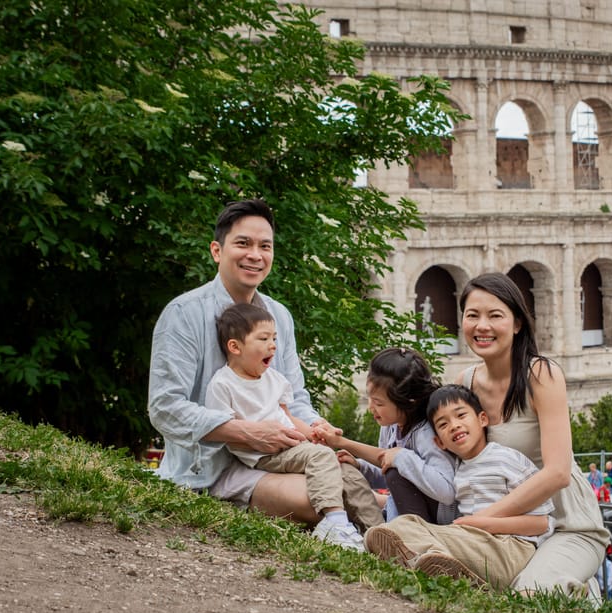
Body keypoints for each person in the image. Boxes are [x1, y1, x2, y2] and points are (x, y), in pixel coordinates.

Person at [148, 198, 370, 531]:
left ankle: (409, 527)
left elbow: (294, 401)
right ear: (216, 251)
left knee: (347, 480)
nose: (255, 254)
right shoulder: (183, 314)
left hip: (277, 459)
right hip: (213, 469)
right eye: (243, 243)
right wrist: (247, 433)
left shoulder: (279, 316)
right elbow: (164, 408)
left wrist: (318, 431)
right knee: (322, 496)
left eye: (265, 246)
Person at [456, 272, 610, 595]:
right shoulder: (465, 383)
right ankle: (581, 594)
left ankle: (580, 592)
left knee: (529, 594)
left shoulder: (541, 374)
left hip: (567, 524)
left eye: (494, 315)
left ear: (517, 323)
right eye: (472, 315)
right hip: (511, 528)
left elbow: (557, 473)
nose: (481, 326)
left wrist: (482, 519)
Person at [204, 303, 381, 549]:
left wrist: (314, 432)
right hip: (264, 455)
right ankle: (335, 521)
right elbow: (226, 430)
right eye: (263, 338)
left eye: (274, 338)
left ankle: (377, 532)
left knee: (346, 470)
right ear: (235, 346)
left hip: (294, 447)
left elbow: (287, 416)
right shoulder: (223, 385)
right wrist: (257, 436)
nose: (273, 345)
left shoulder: (274, 379)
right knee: (321, 457)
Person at [364, 384, 555, 590]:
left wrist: (483, 524)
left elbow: (543, 523)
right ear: (439, 442)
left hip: (509, 550)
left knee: (407, 532)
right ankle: (437, 565)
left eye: (461, 415)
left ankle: (432, 561)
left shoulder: (506, 459)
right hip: (471, 544)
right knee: (398, 527)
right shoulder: (457, 471)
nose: (454, 425)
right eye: (443, 424)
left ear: (482, 419)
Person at [314, 347, 458, 524]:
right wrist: (361, 466)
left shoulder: (427, 433)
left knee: (396, 473)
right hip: (403, 510)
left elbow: (448, 491)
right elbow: (391, 473)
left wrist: (402, 457)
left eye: (379, 403)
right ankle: (383, 526)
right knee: (358, 471)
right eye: (370, 399)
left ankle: (407, 535)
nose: (370, 407)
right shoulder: (390, 427)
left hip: (437, 520)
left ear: (408, 403)